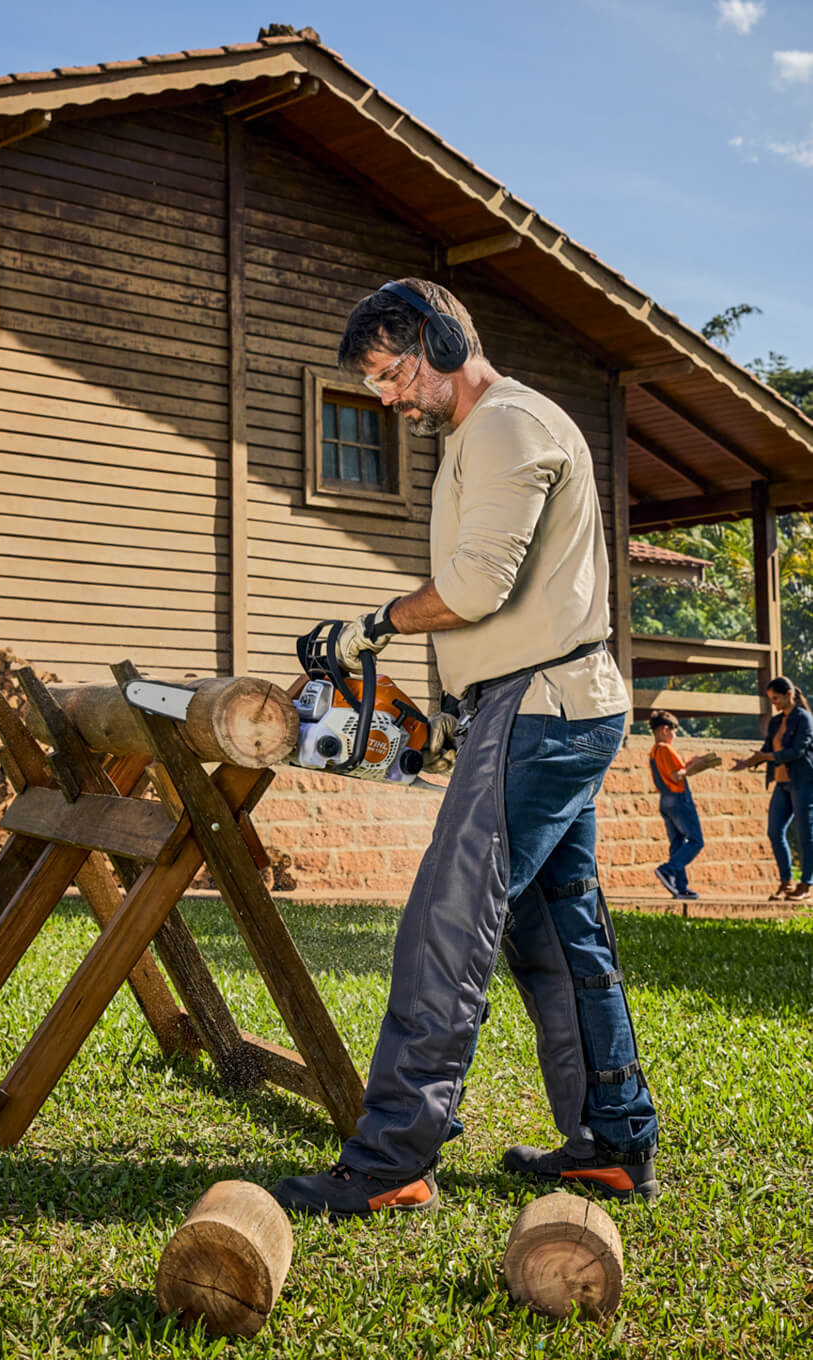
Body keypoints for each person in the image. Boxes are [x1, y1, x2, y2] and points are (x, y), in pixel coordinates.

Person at [272, 279, 659, 1219]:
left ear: (440, 341)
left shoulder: (503, 426)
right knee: (557, 933)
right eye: (374, 383)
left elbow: (477, 586)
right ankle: (613, 1142)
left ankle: (394, 1155)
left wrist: (372, 624)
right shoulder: (476, 436)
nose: (387, 398)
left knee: (448, 923)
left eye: (391, 373)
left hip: (543, 707)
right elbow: (505, 601)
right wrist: (457, 711)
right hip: (537, 702)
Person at [731, 676, 813, 901]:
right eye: (771, 699)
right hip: (782, 782)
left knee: (805, 834)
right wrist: (747, 763)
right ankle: (786, 882)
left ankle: (806, 885)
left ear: (789, 695)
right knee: (774, 831)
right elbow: (766, 748)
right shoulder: (776, 722)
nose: (774, 703)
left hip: (803, 782)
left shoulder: (804, 718)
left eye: (776, 698)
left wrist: (766, 756)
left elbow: (797, 751)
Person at [648, 709, 716, 900]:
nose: (675, 736)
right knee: (696, 840)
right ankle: (668, 869)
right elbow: (676, 775)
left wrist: (688, 764)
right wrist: (697, 766)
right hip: (679, 799)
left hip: (665, 800)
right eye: (674, 731)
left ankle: (680, 887)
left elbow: (672, 771)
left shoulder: (654, 751)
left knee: (677, 843)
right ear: (664, 730)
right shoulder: (666, 748)